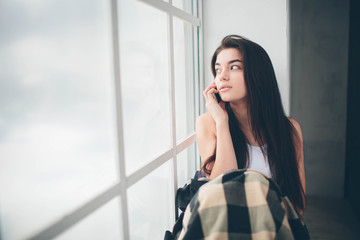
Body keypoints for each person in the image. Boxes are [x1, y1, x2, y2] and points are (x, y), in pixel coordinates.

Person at [196, 35, 306, 214]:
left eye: (234, 67)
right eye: (217, 70)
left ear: (258, 74)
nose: (222, 77)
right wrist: (222, 123)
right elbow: (218, 193)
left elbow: (298, 205)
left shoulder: (290, 129)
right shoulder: (208, 123)